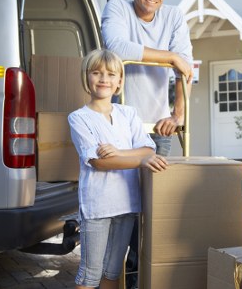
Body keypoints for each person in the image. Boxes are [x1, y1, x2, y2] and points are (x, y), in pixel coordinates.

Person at [68, 49, 168, 289]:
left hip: (127, 204)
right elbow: (99, 162)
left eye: (111, 74)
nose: (104, 79)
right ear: (86, 78)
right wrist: (138, 159)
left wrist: (120, 152)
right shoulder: (78, 118)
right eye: (97, 73)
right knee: (90, 274)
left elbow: (148, 151)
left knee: (112, 272)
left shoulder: (128, 113)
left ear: (120, 82)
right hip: (98, 206)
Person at [101, 0, 194, 157]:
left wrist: (177, 116)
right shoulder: (117, 7)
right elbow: (117, 48)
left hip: (158, 126)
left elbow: (185, 68)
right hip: (119, 122)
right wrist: (171, 56)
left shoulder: (174, 16)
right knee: (122, 185)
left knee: (156, 187)